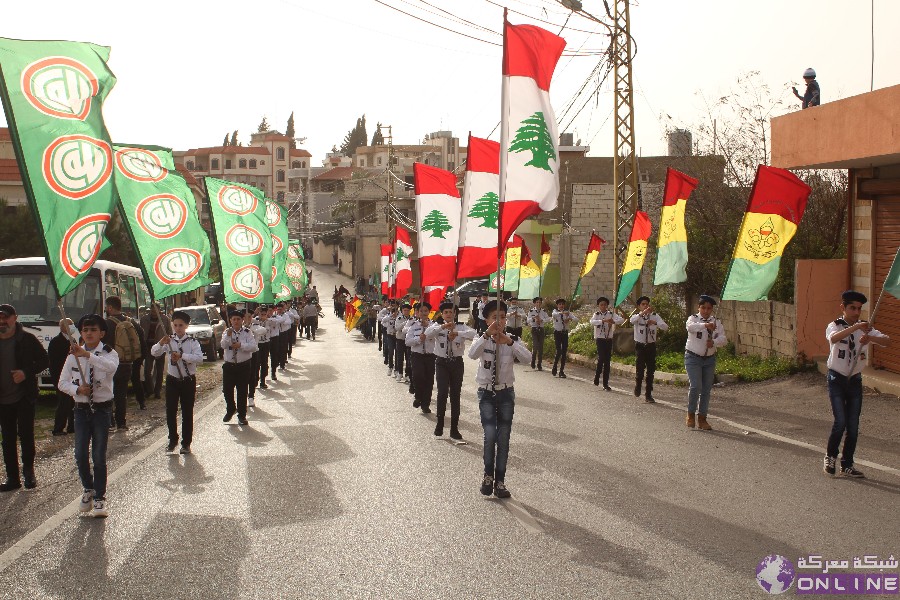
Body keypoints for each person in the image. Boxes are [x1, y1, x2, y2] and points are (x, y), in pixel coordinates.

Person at [467, 300, 531, 498]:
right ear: (486, 320)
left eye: (502, 317)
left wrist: (509, 342)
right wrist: (487, 335)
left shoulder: (512, 339)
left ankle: (500, 481)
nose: (499, 321)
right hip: (486, 393)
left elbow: (528, 358)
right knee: (490, 435)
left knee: (503, 438)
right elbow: (471, 354)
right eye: (495, 317)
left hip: (505, 393)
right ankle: (488, 476)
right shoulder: (481, 338)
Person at [822, 291, 889, 478]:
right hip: (837, 378)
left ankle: (847, 464)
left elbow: (887, 341)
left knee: (852, 425)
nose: (856, 312)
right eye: (852, 308)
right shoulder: (834, 326)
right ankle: (830, 456)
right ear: (843, 307)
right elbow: (834, 339)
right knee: (840, 422)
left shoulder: (865, 328)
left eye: (859, 308)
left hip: (854, 380)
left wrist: (870, 338)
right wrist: (855, 328)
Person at [58, 314, 119, 517]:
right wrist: (77, 390)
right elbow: (62, 383)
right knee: (80, 454)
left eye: (93, 330)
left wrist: (87, 355)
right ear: (80, 333)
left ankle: (100, 497)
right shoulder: (71, 356)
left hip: (101, 410)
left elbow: (110, 368)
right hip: (81, 410)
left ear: (101, 333)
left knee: (99, 456)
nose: (89, 333)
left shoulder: (109, 353)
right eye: (85, 330)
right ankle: (88, 488)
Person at [0, 304, 49, 492]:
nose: (2, 322)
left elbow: (45, 359)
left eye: (6, 318)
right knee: (7, 438)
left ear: (15, 318)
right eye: (0, 318)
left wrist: (26, 373)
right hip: (3, 398)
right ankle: (12, 478)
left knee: (26, 435)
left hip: (24, 396)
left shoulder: (26, 339)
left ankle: (29, 473)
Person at [151, 311, 203, 453]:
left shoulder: (192, 342)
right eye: (175, 325)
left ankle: (186, 443)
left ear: (186, 326)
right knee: (170, 411)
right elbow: (154, 352)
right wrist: (161, 343)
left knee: (187, 411)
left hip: (187, 380)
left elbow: (199, 358)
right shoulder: (169, 341)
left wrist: (182, 356)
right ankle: (172, 439)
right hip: (172, 380)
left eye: (181, 325)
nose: (178, 328)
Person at [427, 302, 475, 439]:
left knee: (455, 395)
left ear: (455, 314)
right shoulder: (437, 327)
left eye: (451, 312)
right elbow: (428, 333)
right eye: (446, 312)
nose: (449, 314)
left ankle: (454, 428)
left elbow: (474, 334)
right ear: (442, 314)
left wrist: (457, 332)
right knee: (442, 393)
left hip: (456, 363)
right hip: (442, 363)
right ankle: (440, 423)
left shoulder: (460, 326)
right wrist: (443, 326)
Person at [684, 295, 728, 430]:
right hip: (693, 357)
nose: (706, 311)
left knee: (706, 390)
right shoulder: (693, 319)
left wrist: (714, 342)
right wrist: (705, 325)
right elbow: (691, 328)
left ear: (712, 309)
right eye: (703, 307)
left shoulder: (717, 322)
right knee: (696, 386)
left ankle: (702, 418)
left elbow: (724, 339)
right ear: (699, 307)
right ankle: (690, 414)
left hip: (709, 359)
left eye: (709, 308)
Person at [105, 296, 143, 429]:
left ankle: (110, 421)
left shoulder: (107, 324)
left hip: (111, 364)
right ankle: (121, 422)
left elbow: (103, 344)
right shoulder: (131, 322)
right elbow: (140, 339)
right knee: (122, 394)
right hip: (127, 363)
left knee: (109, 393)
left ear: (110, 308)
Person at [221, 310, 258, 426]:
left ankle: (242, 415)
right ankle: (231, 408)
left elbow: (253, 347)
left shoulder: (247, 332)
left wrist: (241, 345)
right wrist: (228, 337)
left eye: (238, 319)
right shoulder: (227, 332)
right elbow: (223, 345)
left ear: (242, 320)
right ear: (230, 321)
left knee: (242, 391)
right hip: (229, 365)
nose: (236, 321)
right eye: (233, 319)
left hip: (243, 365)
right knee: (227, 390)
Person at [630, 296, 669, 403]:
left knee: (650, 371)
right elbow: (631, 320)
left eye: (647, 304)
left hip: (651, 345)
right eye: (643, 304)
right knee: (640, 369)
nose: (646, 306)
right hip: (640, 346)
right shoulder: (637, 317)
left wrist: (655, 323)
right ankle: (638, 385)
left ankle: (648, 394)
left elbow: (665, 327)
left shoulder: (655, 316)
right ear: (639, 306)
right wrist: (642, 314)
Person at [405, 302, 435, 414]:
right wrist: (419, 339)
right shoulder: (413, 326)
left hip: (430, 356)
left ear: (429, 312)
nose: (423, 313)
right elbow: (407, 342)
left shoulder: (434, 326)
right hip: (417, 355)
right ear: (417, 313)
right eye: (421, 311)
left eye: (426, 311)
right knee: (418, 377)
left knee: (429, 380)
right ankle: (418, 396)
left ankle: (425, 404)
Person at [49, 318, 77, 436]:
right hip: (61, 378)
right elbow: (54, 363)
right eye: (70, 325)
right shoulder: (56, 341)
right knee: (63, 404)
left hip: (73, 377)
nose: (72, 327)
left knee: (72, 403)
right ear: (63, 327)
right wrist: (58, 380)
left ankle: (72, 427)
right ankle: (58, 428)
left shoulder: (73, 340)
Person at [590, 297, 624, 390]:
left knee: (607, 361)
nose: (603, 306)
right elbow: (592, 322)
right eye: (601, 304)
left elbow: (621, 320)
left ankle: (605, 383)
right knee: (601, 358)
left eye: (605, 304)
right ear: (598, 306)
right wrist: (603, 321)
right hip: (600, 339)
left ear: (607, 305)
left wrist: (613, 321)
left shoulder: (611, 314)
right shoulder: (596, 314)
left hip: (608, 339)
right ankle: (597, 376)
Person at [141, 302, 171, 400]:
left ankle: (157, 391)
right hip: (148, 347)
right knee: (147, 371)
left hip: (160, 347)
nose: (154, 311)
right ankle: (150, 390)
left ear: (159, 310)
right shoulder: (144, 319)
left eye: (155, 309)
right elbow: (141, 333)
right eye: (152, 309)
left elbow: (169, 333)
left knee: (159, 370)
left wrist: (165, 343)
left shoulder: (165, 319)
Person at [551, 298, 577, 378]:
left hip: (565, 333)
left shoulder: (568, 313)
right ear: (557, 305)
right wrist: (562, 313)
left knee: (564, 352)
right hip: (557, 333)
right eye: (560, 304)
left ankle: (561, 370)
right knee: (559, 351)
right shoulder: (555, 312)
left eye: (562, 304)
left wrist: (569, 318)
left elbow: (576, 319)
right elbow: (554, 315)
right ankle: (555, 366)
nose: (561, 305)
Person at [245, 311, 265, 408]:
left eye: (249, 317)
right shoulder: (240, 329)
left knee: (253, 375)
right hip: (243, 355)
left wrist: (251, 328)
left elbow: (263, 330)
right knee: (244, 376)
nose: (247, 319)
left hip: (253, 353)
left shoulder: (255, 326)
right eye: (245, 317)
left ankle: (251, 396)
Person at [527, 297, 549, 371]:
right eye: (537, 302)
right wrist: (534, 319)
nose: (538, 304)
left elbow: (548, 319)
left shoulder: (543, 311)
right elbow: (528, 320)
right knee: (535, 345)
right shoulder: (531, 311)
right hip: (534, 329)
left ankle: (539, 363)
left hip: (541, 329)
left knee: (541, 347)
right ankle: (533, 360)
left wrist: (542, 320)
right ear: (534, 303)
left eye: (540, 302)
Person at [254, 306, 272, 390]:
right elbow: (247, 320)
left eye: (265, 314)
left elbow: (266, 330)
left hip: (265, 343)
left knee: (264, 362)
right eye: (262, 314)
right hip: (258, 344)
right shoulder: (255, 320)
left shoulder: (269, 321)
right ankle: (256, 379)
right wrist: (255, 313)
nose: (263, 316)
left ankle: (263, 381)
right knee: (256, 363)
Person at [393, 303, 412, 382]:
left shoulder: (412, 319)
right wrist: (406, 323)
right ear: (402, 311)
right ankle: (400, 373)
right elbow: (397, 328)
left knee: (408, 358)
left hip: (408, 341)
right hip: (400, 339)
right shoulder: (399, 318)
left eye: (408, 310)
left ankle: (407, 374)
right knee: (400, 357)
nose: (406, 312)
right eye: (405, 310)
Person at [263, 306, 282, 382]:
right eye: (268, 311)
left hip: (274, 338)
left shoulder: (276, 317)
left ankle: (273, 373)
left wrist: (268, 319)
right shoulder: (262, 317)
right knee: (265, 357)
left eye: (271, 311)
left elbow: (280, 320)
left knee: (274, 356)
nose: (269, 312)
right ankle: (264, 373)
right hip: (266, 339)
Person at [381, 303, 398, 376]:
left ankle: (397, 369)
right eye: (393, 311)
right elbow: (383, 321)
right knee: (391, 351)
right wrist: (390, 316)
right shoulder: (388, 316)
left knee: (397, 354)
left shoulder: (400, 317)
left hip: (397, 336)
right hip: (390, 335)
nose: (394, 313)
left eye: (396, 311)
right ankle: (390, 366)